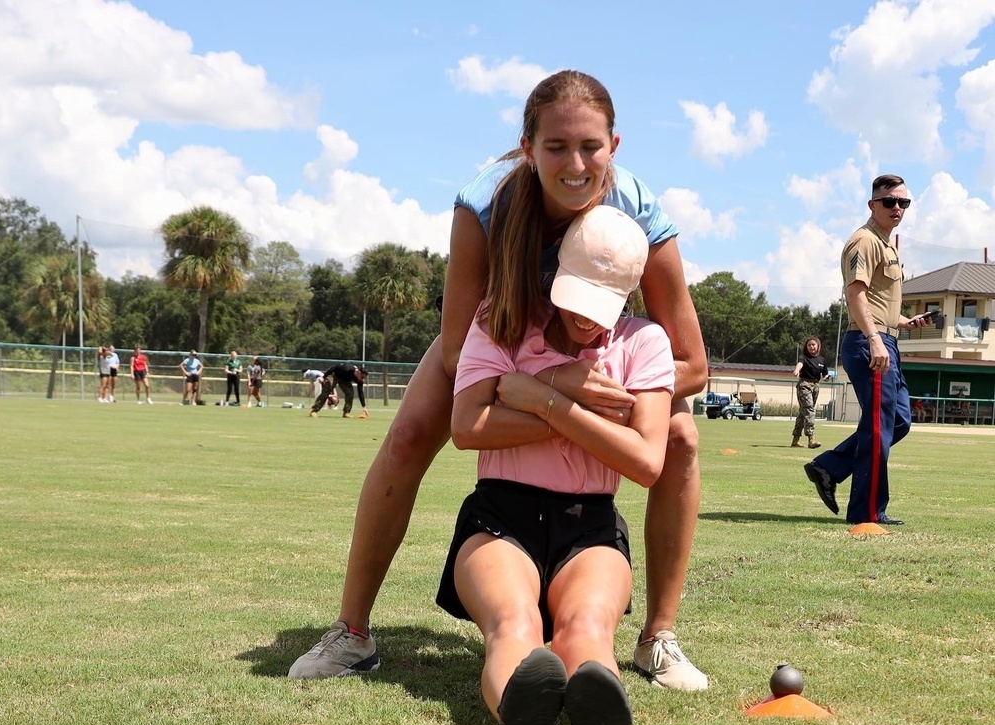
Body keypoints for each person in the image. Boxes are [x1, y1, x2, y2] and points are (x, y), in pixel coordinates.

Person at [289, 70, 709, 692]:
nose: (575, 163)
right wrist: (556, 384)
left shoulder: (639, 211)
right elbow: (460, 350)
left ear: (614, 146)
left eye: (590, 146)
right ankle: (352, 632)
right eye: (556, 147)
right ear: (527, 146)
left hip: (594, 365)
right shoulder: (484, 204)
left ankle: (657, 637)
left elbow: (693, 365)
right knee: (405, 439)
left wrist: (607, 395)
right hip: (495, 345)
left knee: (679, 439)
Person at [437, 206, 673, 725]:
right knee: (513, 622)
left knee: (588, 625)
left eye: (601, 309)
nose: (584, 322)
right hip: (500, 517)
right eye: (573, 298)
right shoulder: (501, 320)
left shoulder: (645, 344)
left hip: (590, 523)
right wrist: (575, 405)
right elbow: (468, 427)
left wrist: (539, 396)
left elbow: (645, 461)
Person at [804, 174, 936, 526]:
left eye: (903, 202)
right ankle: (866, 513)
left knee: (897, 421)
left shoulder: (887, 243)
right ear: (872, 204)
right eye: (889, 201)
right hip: (869, 341)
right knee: (880, 426)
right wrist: (876, 337)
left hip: (884, 337)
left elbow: (878, 298)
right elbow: (856, 294)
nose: (897, 208)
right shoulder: (864, 241)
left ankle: (828, 466)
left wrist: (904, 322)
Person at [791, 336, 829, 449]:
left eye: (813, 345)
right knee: (809, 411)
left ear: (818, 346)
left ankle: (795, 440)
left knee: (804, 413)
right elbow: (800, 364)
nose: (811, 347)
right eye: (809, 345)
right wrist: (797, 370)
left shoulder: (822, 360)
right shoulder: (804, 357)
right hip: (804, 385)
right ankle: (811, 439)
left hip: (815, 386)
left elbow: (825, 374)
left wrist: (826, 377)